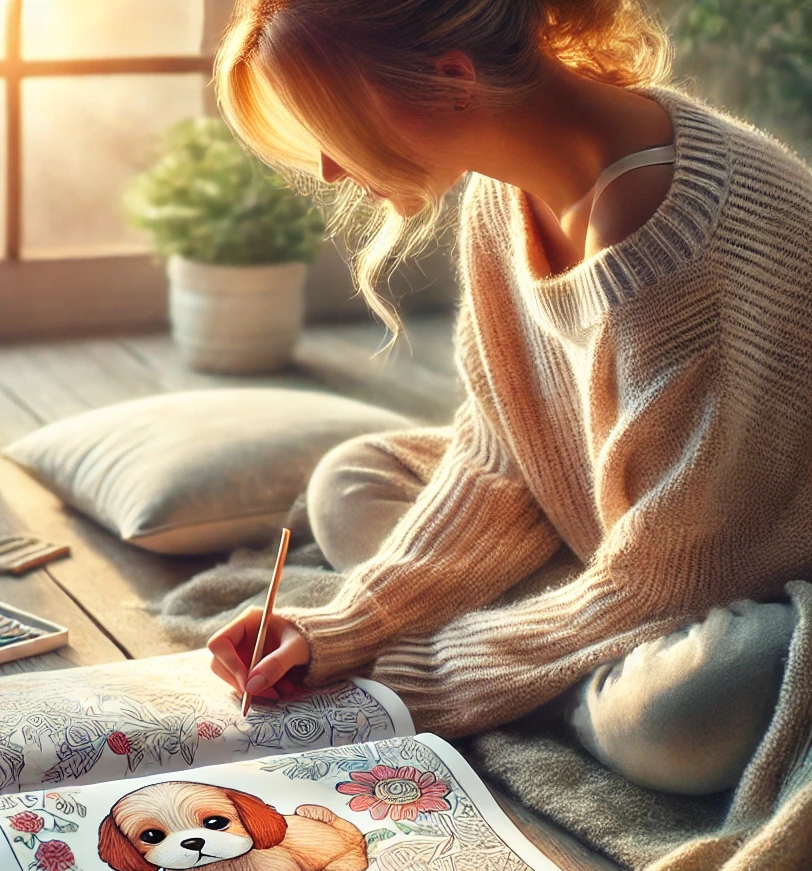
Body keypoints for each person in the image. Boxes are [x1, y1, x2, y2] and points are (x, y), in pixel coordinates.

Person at [206, 0, 812, 796]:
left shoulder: (676, 238)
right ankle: (549, 663)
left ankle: (537, 669)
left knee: (677, 716)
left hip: (740, 568)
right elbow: (501, 453)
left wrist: (407, 682)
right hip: (611, 532)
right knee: (351, 480)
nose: (328, 168)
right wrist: (352, 624)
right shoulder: (504, 191)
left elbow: (671, 576)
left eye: (337, 122)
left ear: (452, 78)